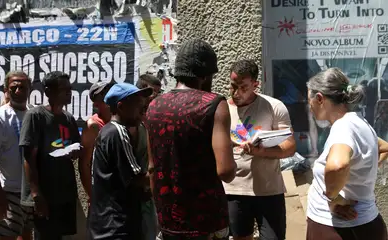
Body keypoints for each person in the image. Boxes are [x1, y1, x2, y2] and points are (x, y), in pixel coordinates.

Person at [146, 38, 237, 240]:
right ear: (205, 76)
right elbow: (226, 171)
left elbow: (152, 168)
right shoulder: (214, 104)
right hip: (206, 222)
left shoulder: (154, 106)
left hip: (168, 222)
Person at [306, 67, 388, 240]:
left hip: (337, 229)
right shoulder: (359, 122)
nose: (309, 107)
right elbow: (384, 147)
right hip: (367, 224)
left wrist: (333, 199)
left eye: (309, 101)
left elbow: (337, 166)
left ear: (320, 98)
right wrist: (357, 174)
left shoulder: (343, 128)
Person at [224, 60, 296, 240]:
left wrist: (260, 152)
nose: (236, 92)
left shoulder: (274, 107)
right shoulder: (222, 109)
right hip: (234, 190)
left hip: (269, 190)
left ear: (255, 85)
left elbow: (290, 147)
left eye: (243, 87)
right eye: (233, 85)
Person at [19, 71, 81, 240]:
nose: (69, 92)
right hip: (44, 195)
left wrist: (75, 152)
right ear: (48, 92)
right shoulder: (36, 116)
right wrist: (36, 194)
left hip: (63, 193)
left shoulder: (68, 118)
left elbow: (74, 149)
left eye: (70, 88)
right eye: (64, 89)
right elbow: (28, 157)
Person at [87, 83, 153, 239]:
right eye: (138, 105)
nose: (143, 110)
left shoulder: (112, 131)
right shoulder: (117, 132)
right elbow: (137, 178)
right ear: (121, 107)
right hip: (114, 228)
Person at [0, 71, 33, 240]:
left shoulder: (34, 114)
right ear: (6, 90)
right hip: (8, 192)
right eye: (14, 87)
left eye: (23, 87)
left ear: (30, 90)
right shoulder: (0, 117)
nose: (18, 91)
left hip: (32, 192)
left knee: (26, 235)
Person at [133, 75, 162, 240]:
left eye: (159, 93)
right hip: (137, 191)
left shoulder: (154, 117)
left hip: (152, 191)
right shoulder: (131, 123)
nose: (156, 97)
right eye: (153, 93)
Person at [79, 81, 113, 202]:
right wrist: (92, 195)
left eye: (110, 92)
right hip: (102, 193)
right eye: (103, 95)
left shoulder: (120, 121)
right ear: (96, 103)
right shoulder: (93, 126)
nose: (109, 96)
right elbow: (84, 164)